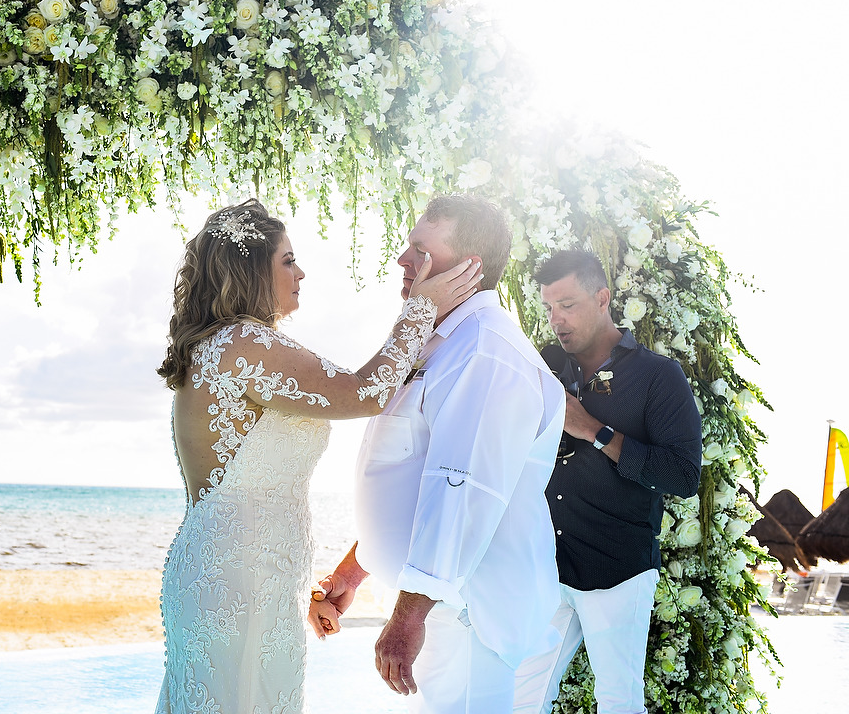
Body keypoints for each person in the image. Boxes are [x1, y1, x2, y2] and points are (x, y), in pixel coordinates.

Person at [153, 199, 483, 714]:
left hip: (245, 574)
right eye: (287, 260)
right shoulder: (244, 344)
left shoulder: (231, 344)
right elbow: (366, 391)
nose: (301, 272)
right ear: (250, 270)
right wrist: (420, 309)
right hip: (237, 583)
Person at [309, 194, 567, 713]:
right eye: (407, 246)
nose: (403, 260)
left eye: (421, 250)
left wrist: (408, 616)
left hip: (470, 616)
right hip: (441, 608)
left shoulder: (485, 351)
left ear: (469, 267)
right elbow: (410, 474)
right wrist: (356, 570)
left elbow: (461, 489)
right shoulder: (439, 341)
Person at [511, 249, 702, 714]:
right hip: (547, 565)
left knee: (618, 701)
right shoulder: (543, 364)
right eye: (549, 307)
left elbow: (682, 475)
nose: (556, 320)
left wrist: (593, 431)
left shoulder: (658, 376)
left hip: (619, 569)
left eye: (569, 305)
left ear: (602, 298)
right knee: (520, 697)